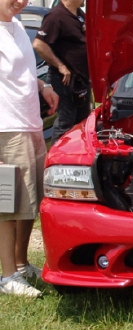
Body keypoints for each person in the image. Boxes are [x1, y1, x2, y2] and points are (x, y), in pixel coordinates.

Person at [0, 0, 58, 297]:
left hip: (31, 124)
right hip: (6, 129)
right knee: (9, 204)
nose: (21, 2)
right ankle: (7, 276)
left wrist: (42, 86)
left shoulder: (17, 26)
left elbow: (22, 70)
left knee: (30, 202)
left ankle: (22, 265)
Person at [33, 0, 90, 144]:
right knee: (66, 122)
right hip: (64, 80)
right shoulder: (56, 16)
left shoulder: (79, 14)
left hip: (81, 80)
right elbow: (39, 44)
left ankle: (77, 157)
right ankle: (58, 160)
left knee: (82, 122)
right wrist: (61, 66)